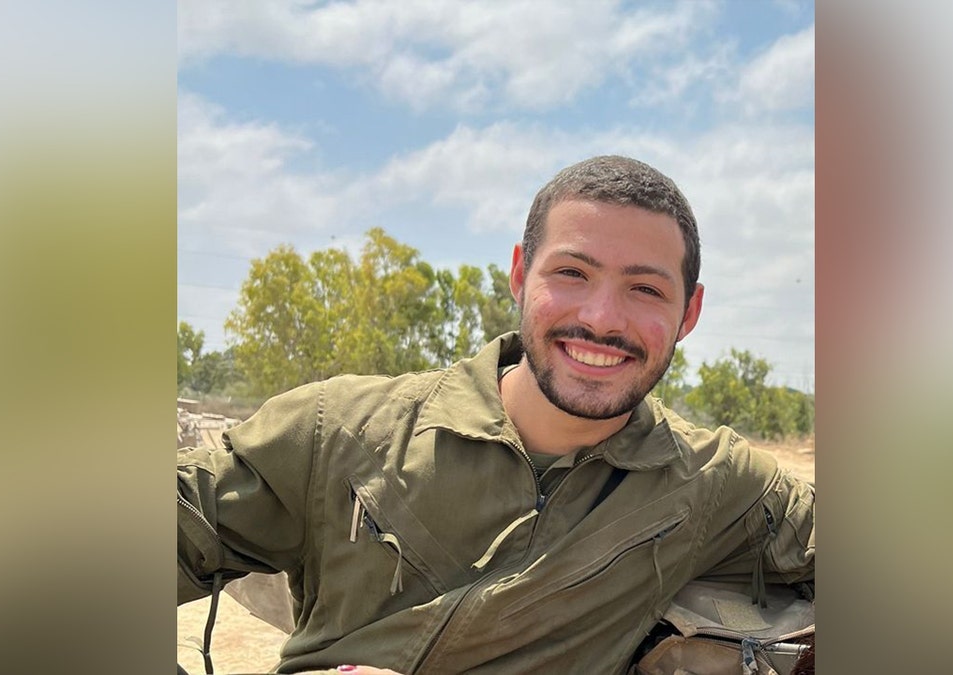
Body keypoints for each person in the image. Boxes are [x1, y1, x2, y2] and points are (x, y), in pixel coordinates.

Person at [177, 155, 815, 674]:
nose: (601, 319)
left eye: (645, 288)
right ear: (519, 275)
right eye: (572, 273)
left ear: (689, 313)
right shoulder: (341, 429)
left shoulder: (710, 481)